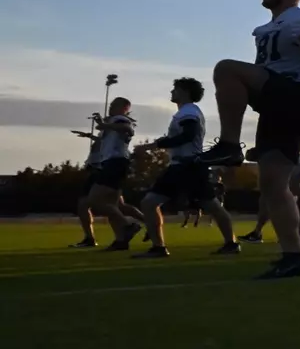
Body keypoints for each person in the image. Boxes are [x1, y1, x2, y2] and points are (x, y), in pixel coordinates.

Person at [197, 0, 300, 280]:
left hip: (298, 93)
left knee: (226, 69)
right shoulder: (273, 27)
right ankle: (293, 257)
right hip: (277, 101)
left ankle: (229, 145)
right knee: (272, 184)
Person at [133, 78, 240, 258]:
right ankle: (159, 247)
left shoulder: (188, 111)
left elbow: (188, 135)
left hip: (187, 166)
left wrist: (155, 145)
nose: (172, 92)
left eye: (175, 89)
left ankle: (231, 243)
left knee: (211, 205)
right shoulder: (187, 111)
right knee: (151, 203)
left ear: (185, 92)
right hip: (183, 166)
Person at [82, 98, 146, 252]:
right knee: (112, 204)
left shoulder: (120, 119)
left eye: (114, 105)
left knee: (94, 200)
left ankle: (128, 225)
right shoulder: (113, 121)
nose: (110, 107)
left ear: (124, 108)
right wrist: (102, 124)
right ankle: (121, 240)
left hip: (115, 163)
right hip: (113, 163)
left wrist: (105, 125)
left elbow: (128, 129)